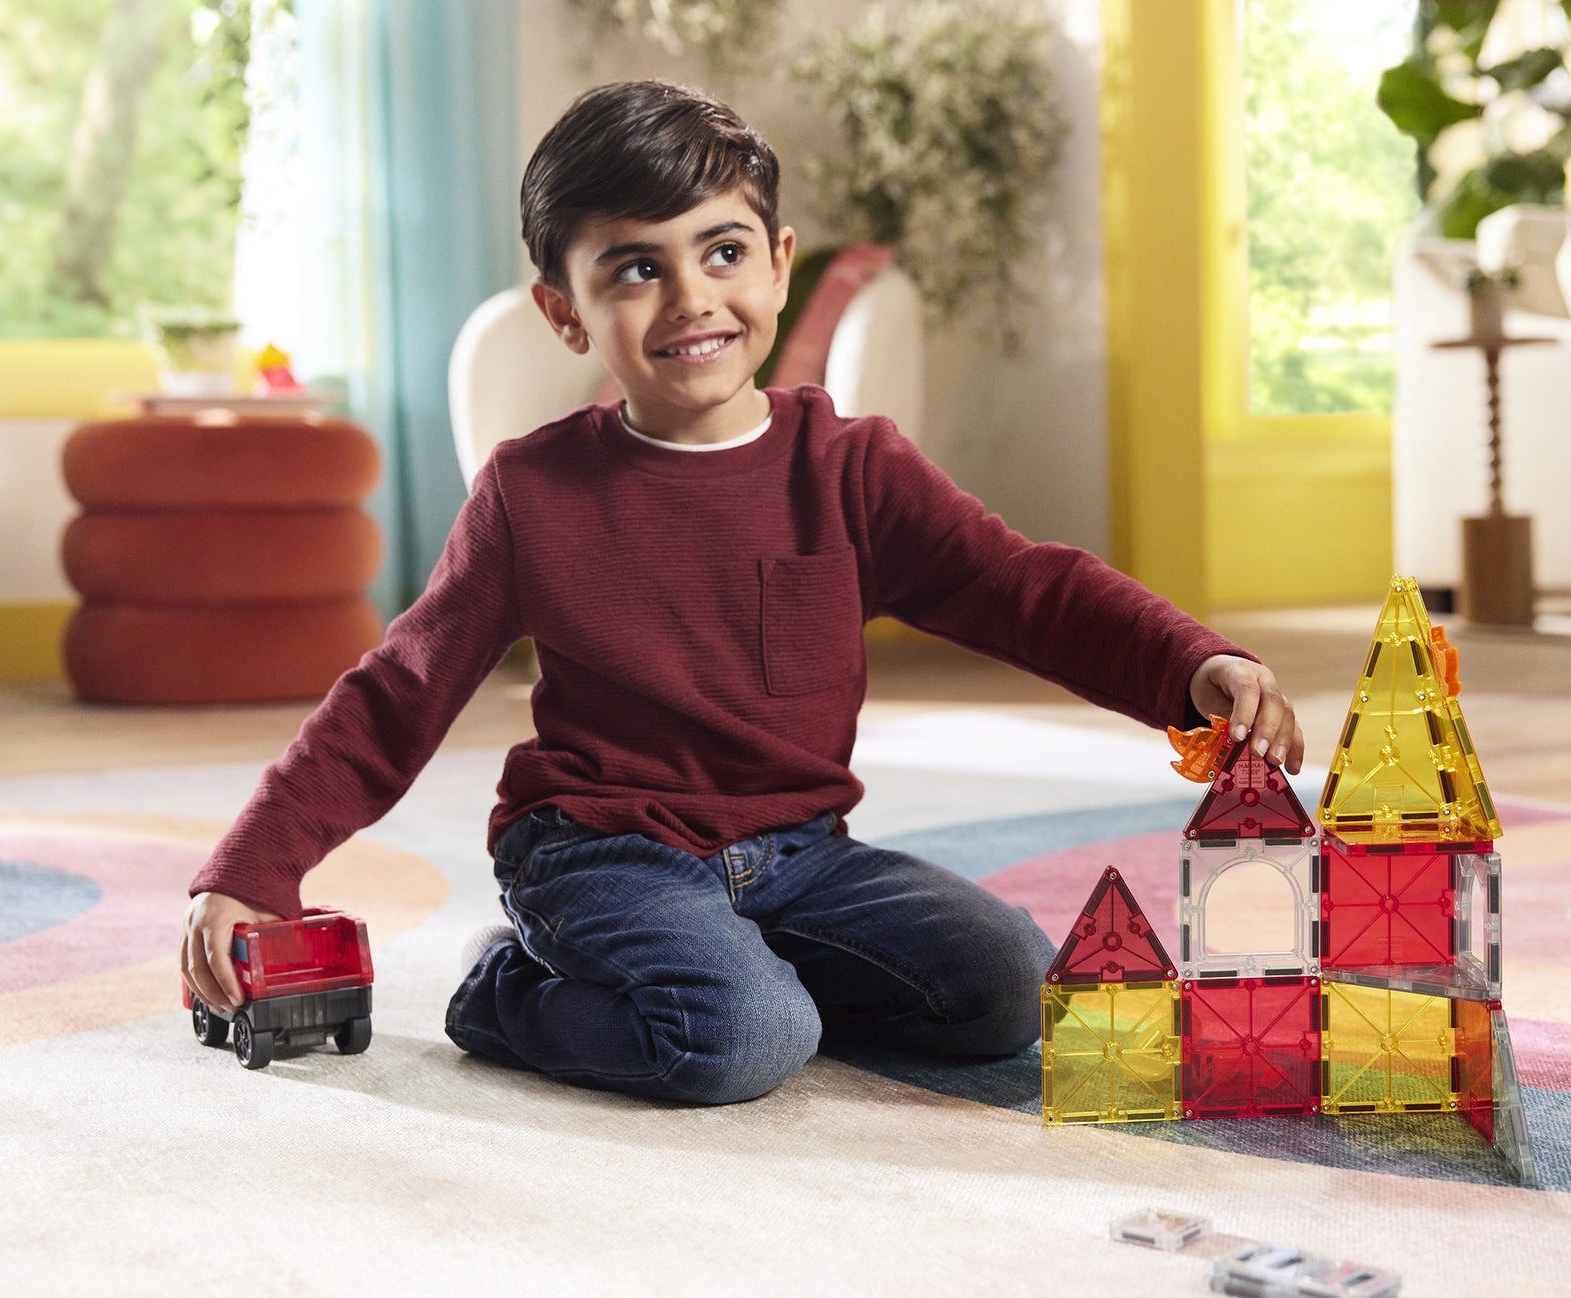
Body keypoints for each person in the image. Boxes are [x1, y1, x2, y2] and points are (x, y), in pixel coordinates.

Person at [179, 79, 1302, 1105]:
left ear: (776, 262)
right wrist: (251, 869)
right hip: (600, 848)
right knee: (739, 1038)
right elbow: (397, 692)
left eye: (720, 252)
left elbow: (1017, 587)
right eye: (634, 267)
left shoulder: (850, 466)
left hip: (801, 851)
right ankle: (507, 994)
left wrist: (1185, 663)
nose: (689, 299)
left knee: (1004, 986)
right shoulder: (531, 491)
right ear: (565, 311)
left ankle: (737, 965)